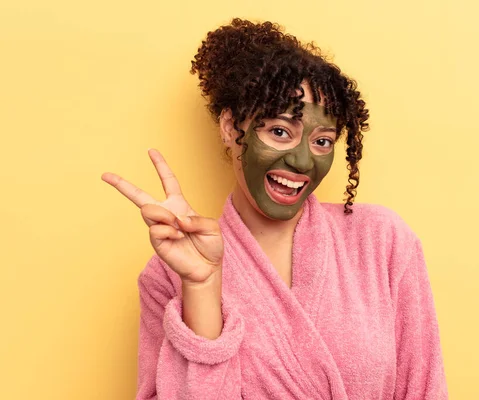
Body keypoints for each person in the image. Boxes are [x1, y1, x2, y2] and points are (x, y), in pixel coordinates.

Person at [102, 18, 447, 400]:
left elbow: (425, 390)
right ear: (231, 127)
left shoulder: (381, 240)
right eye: (280, 132)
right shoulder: (169, 273)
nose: (302, 162)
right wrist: (201, 288)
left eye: (322, 141)